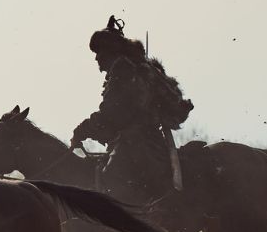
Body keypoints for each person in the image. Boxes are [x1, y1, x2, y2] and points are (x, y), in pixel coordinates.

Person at [71, 16, 194, 206]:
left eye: (99, 52)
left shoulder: (123, 69)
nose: (96, 58)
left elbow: (111, 113)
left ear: (110, 52)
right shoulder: (133, 68)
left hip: (137, 142)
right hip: (142, 141)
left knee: (111, 178)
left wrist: (82, 130)